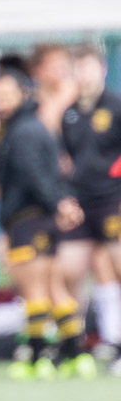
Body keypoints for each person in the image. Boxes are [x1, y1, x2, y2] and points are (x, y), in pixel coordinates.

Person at [0, 69, 84, 379]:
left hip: (27, 220)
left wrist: (58, 202)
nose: (0, 103)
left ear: (24, 94)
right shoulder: (31, 127)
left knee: (34, 290)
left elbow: (33, 174)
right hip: (43, 219)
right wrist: (61, 203)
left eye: (7, 95)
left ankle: (39, 355)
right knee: (55, 287)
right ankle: (75, 355)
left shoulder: (21, 132)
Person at [56, 45, 121, 376]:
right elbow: (67, 159)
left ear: (103, 69)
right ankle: (76, 342)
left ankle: (115, 342)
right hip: (81, 204)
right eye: (78, 68)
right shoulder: (68, 114)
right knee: (67, 269)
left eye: (89, 67)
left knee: (117, 266)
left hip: (113, 200)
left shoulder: (116, 106)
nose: (84, 74)